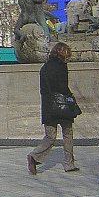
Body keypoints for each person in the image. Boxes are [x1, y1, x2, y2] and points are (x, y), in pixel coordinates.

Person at [27, 42, 79, 174]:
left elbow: (43, 89)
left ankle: (34, 156)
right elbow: (63, 87)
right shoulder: (62, 67)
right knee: (67, 134)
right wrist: (70, 97)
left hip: (48, 106)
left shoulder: (44, 68)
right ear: (63, 53)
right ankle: (69, 164)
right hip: (62, 106)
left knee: (50, 136)